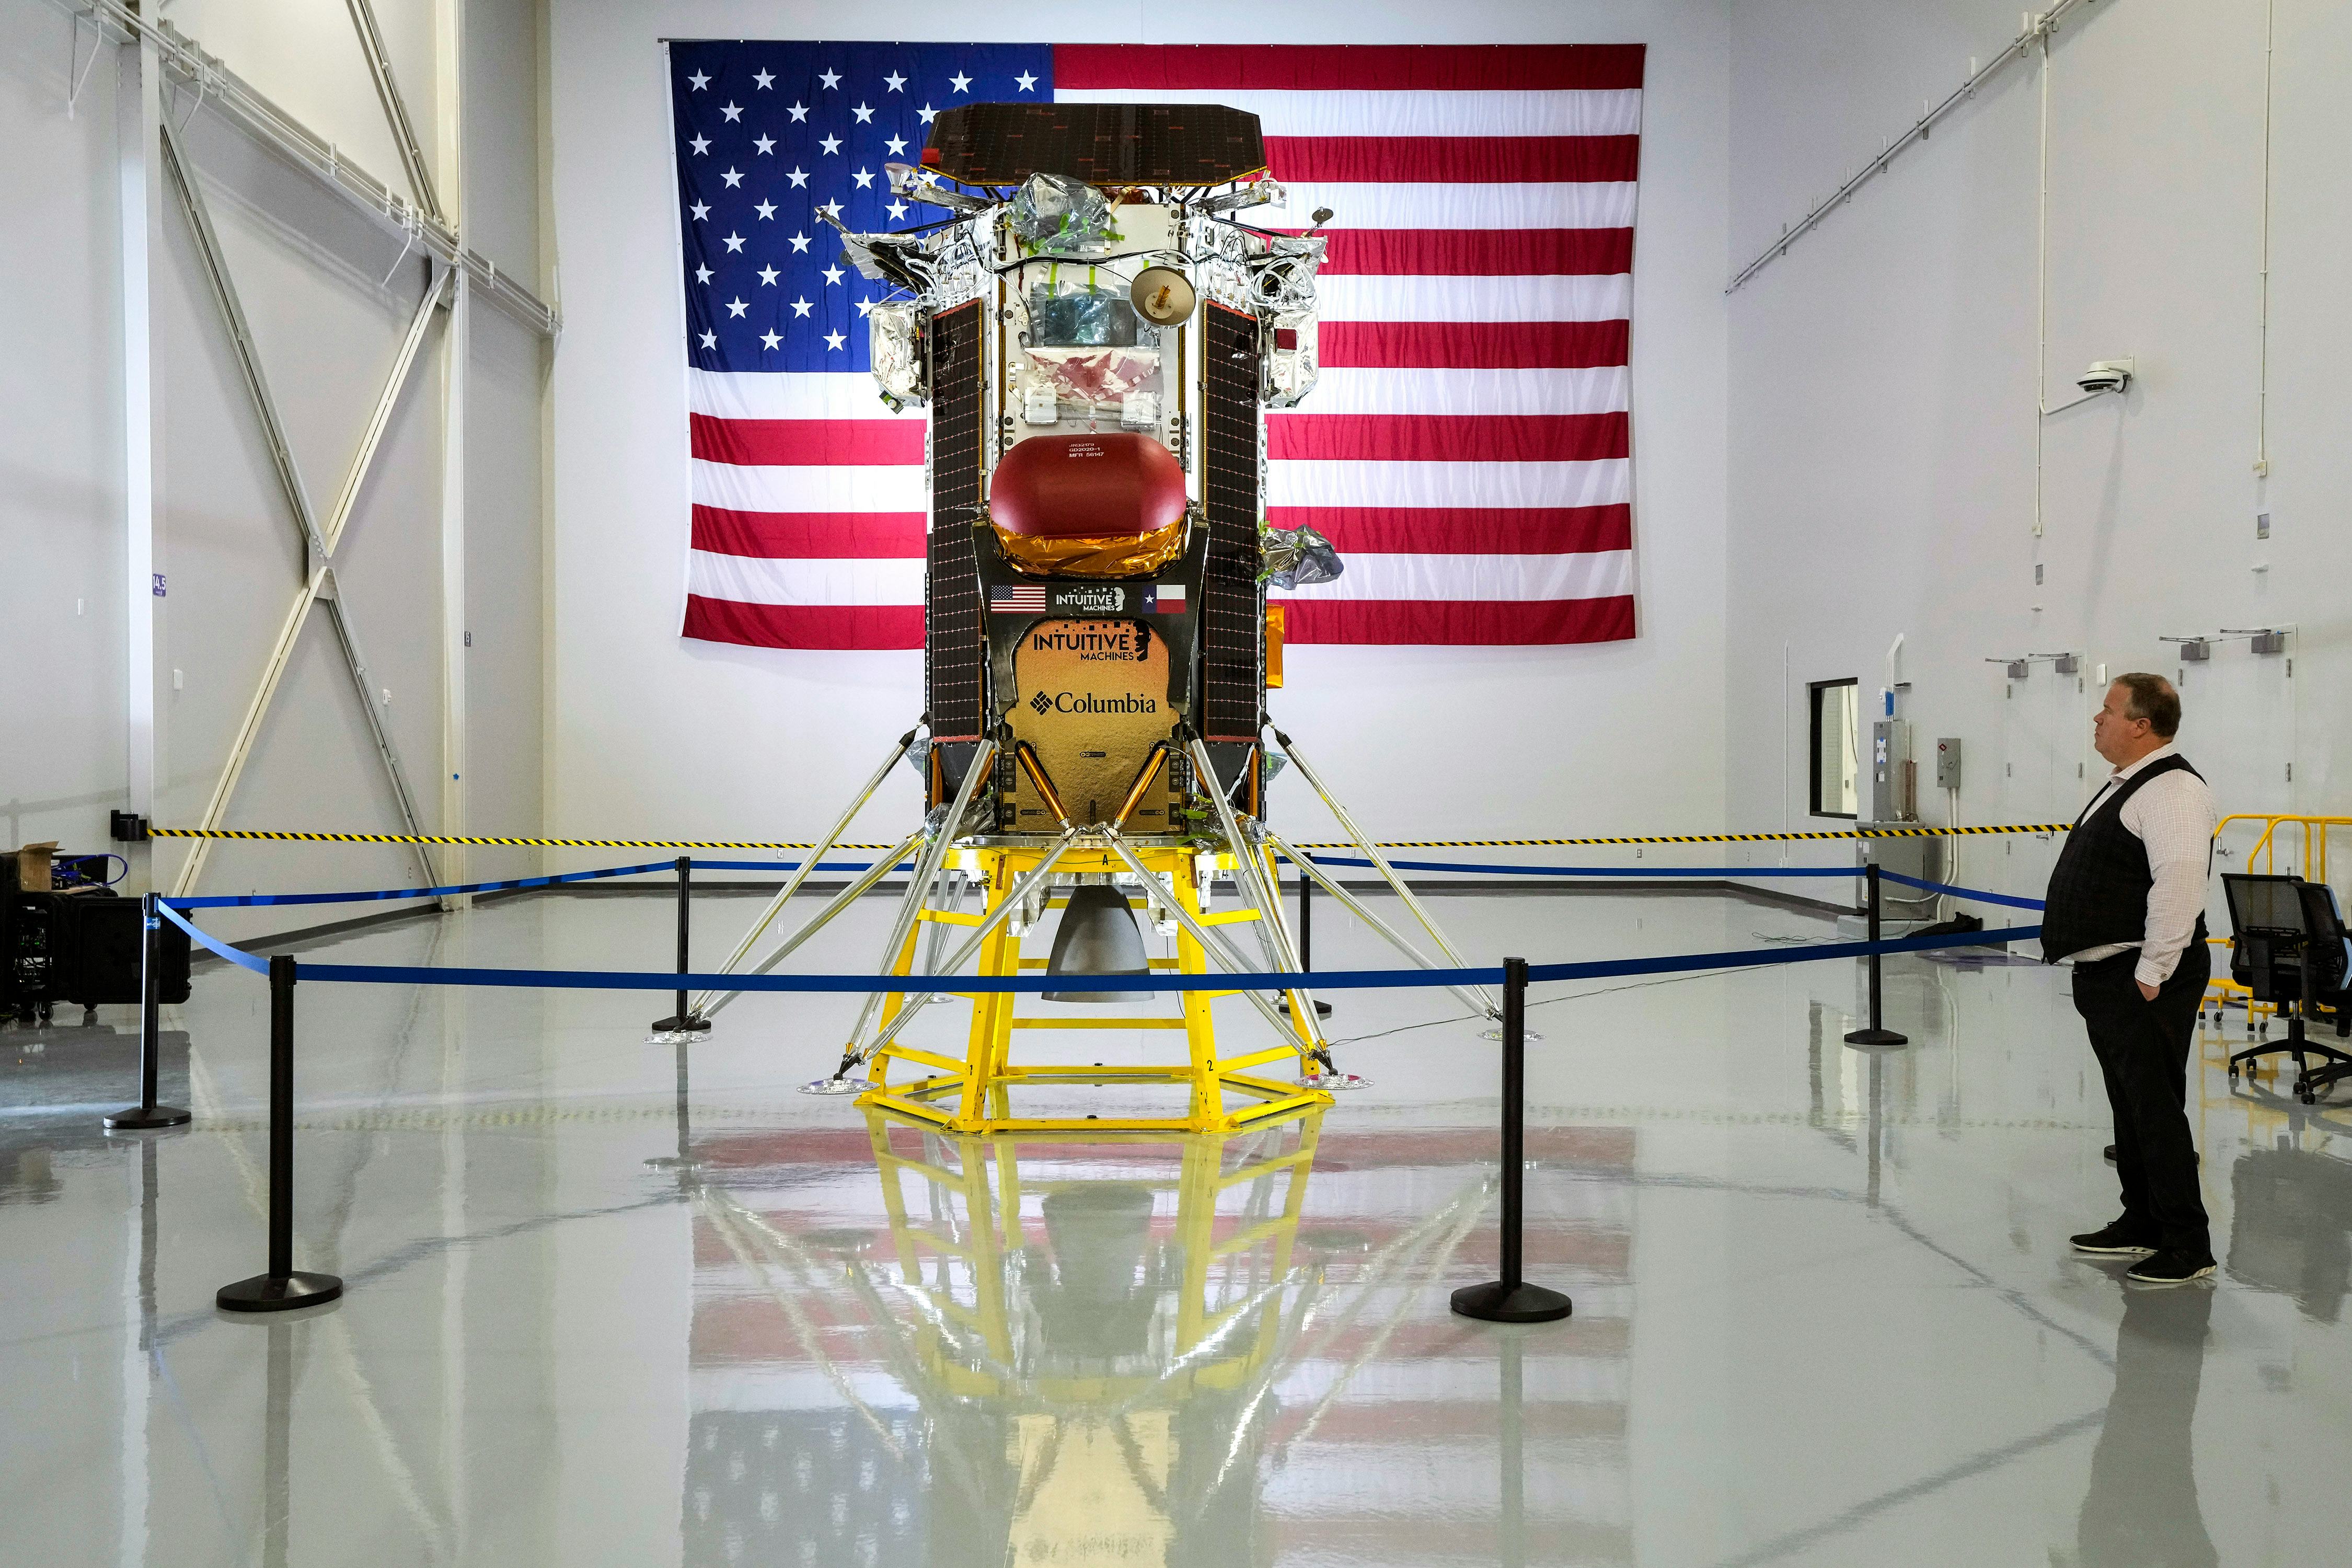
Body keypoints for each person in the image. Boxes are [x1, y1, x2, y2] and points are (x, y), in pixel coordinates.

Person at [2044, 673, 2219, 1285]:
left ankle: (2186, 1244)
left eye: (2110, 710)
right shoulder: (2128, 784)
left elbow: (2180, 882)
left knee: (2155, 1109)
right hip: (2112, 974)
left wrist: (2151, 975)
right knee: (2129, 1105)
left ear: (2142, 725)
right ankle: (2141, 1219)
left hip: (2144, 975)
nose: (2098, 718)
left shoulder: (2171, 788)